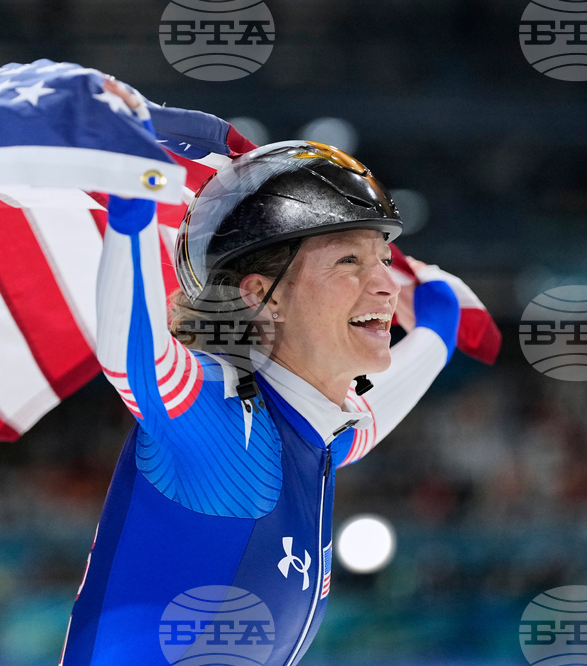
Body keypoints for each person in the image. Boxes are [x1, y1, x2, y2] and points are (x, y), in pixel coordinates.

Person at [60, 78, 467, 666]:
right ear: (261, 295)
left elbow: (390, 393)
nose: (385, 283)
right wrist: (135, 193)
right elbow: (134, 356)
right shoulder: (225, 422)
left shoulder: (319, 436)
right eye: (349, 260)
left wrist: (440, 323)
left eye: (383, 258)